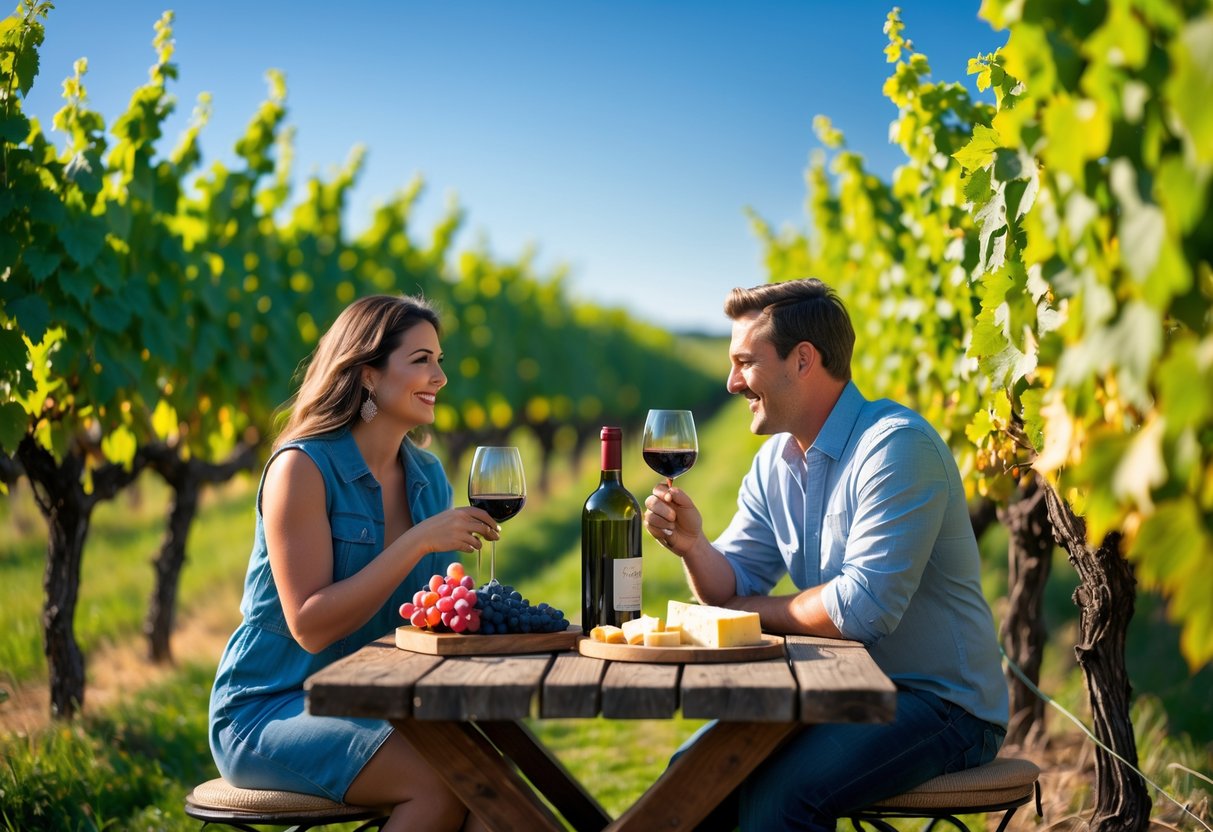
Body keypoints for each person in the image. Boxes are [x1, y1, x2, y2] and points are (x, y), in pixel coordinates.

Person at [643, 278, 1009, 831]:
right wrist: (693, 546)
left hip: (940, 706)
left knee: (783, 799)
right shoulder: (774, 465)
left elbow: (863, 610)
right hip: (832, 692)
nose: (731, 381)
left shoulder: (895, 447)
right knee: (694, 777)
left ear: (803, 360)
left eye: (745, 362)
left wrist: (745, 610)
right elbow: (727, 587)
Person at [209, 294, 498, 832]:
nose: (440, 376)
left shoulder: (428, 476)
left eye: (439, 360)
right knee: (438, 783)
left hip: (377, 702)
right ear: (367, 374)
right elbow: (310, 626)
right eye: (421, 360)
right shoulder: (302, 468)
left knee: (494, 788)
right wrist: (415, 543)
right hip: (270, 708)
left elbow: (423, 615)